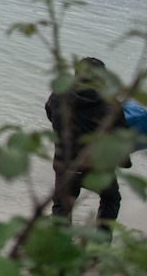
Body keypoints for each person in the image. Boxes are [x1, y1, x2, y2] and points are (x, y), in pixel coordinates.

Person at [45, 56, 132, 233]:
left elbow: (50, 114)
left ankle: (60, 250)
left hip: (65, 164)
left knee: (62, 206)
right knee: (111, 199)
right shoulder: (110, 104)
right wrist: (125, 162)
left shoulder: (58, 96)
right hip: (97, 167)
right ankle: (101, 244)